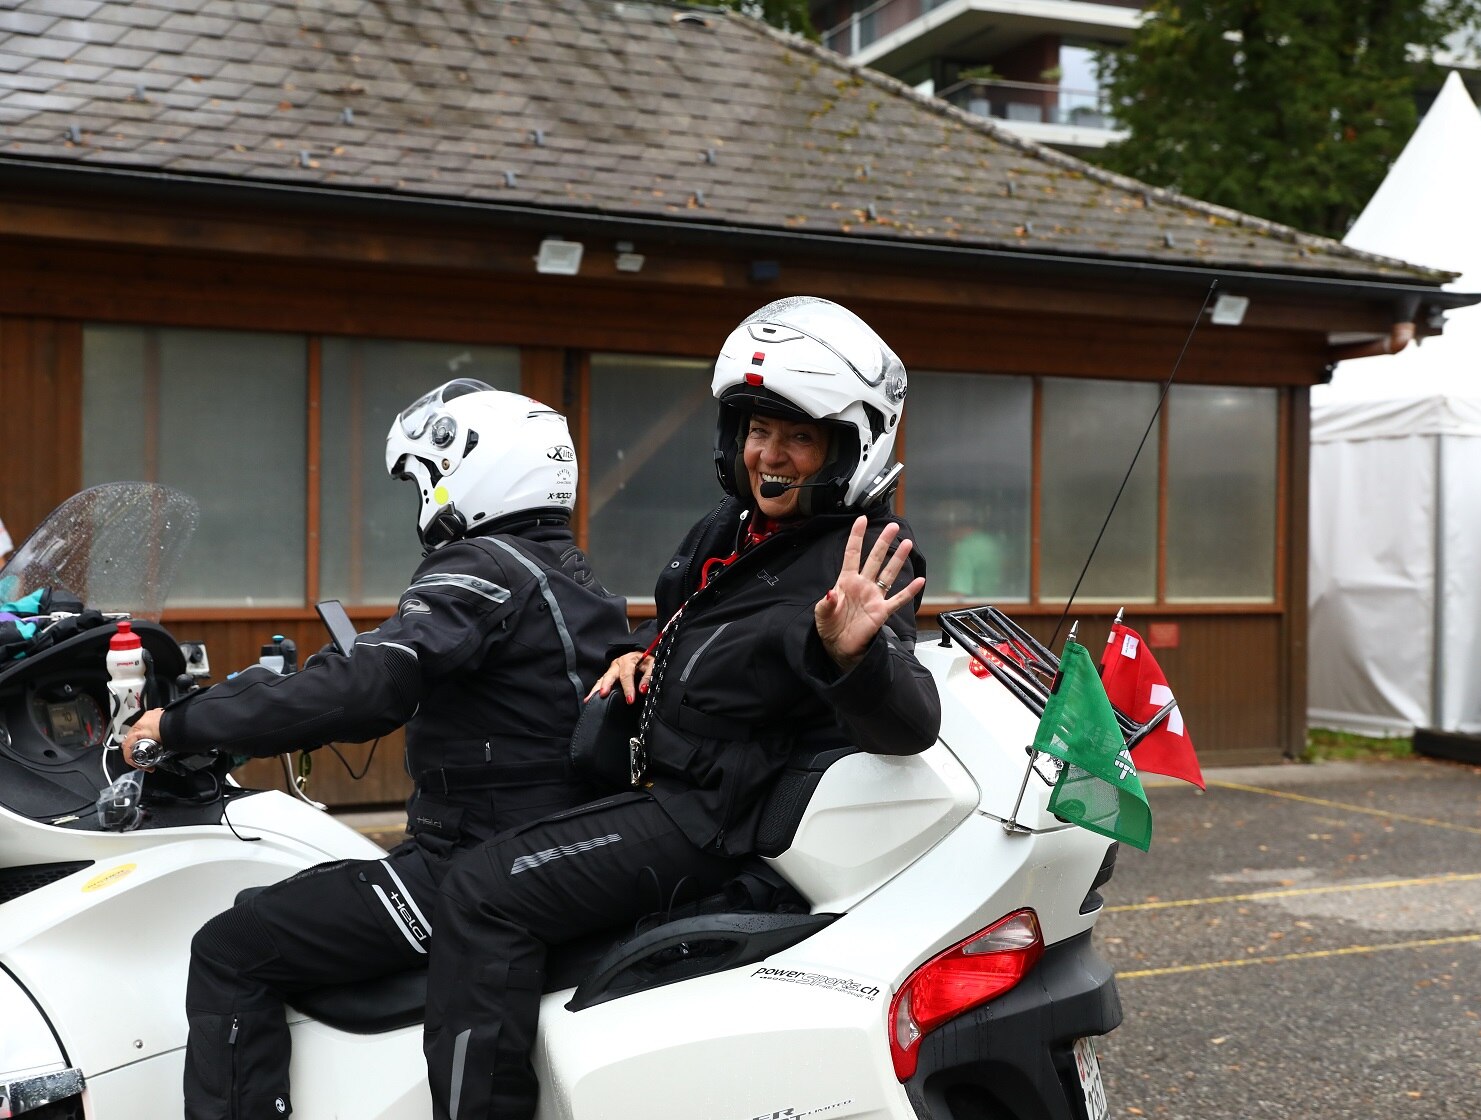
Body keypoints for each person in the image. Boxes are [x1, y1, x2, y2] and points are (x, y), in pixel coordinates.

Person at [420, 297, 941, 1120]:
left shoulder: (859, 557)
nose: (769, 453)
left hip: (711, 818)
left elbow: (911, 720)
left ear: (849, 447)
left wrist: (854, 656)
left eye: (798, 436)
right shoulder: (730, 530)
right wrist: (643, 647)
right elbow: (690, 621)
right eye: (756, 430)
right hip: (654, 786)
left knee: (483, 891)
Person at [120, 380, 631, 1120]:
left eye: (423, 479)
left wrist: (180, 724)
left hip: (470, 860)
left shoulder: (479, 569)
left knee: (233, 947)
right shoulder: (567, 572)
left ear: (466, 475)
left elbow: (368, 687)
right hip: (541, 846)